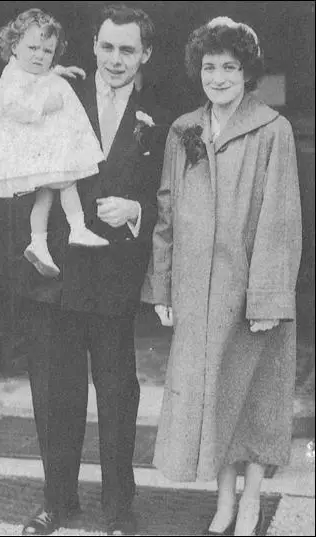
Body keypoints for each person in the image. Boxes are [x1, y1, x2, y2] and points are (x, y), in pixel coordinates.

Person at [12, 4, 170, 536]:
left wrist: (138, 212)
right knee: (56, 394)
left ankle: (118, 508)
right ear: (94, 46)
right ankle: (58, 501)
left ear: (145, 53)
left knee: (117, 392)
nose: (115, 59)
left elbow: (170, 197)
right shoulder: (58, 90)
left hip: (113, 277)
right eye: (107, 47)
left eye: (128, 49)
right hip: (55, 272)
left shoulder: (162, 113)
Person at [142, 16, 302, 537]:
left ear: (247, 72)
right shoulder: (183, 129)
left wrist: (267, 300)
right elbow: (166, 209)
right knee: (214, 401)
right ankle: (225, 502)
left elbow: (280, 219)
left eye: (229, 67)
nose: (218, 76)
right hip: (196, 291)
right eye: (209, 66)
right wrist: (161, 285)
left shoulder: (271, 130)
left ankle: (252, 501)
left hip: (251, 293)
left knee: (254, 399)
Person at [0, 8, 108, 279]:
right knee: (65, 182)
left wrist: (58, 69)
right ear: (14, 46)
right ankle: (77, 227)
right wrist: (44, 106)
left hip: (41, 147)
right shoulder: (11, 77)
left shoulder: (31, 69)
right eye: (33, 48)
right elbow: (13, 105)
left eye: (47, 51)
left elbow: (39, 73)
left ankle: (39, 242)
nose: (39, 56)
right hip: (28, 145)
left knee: (47, 193)